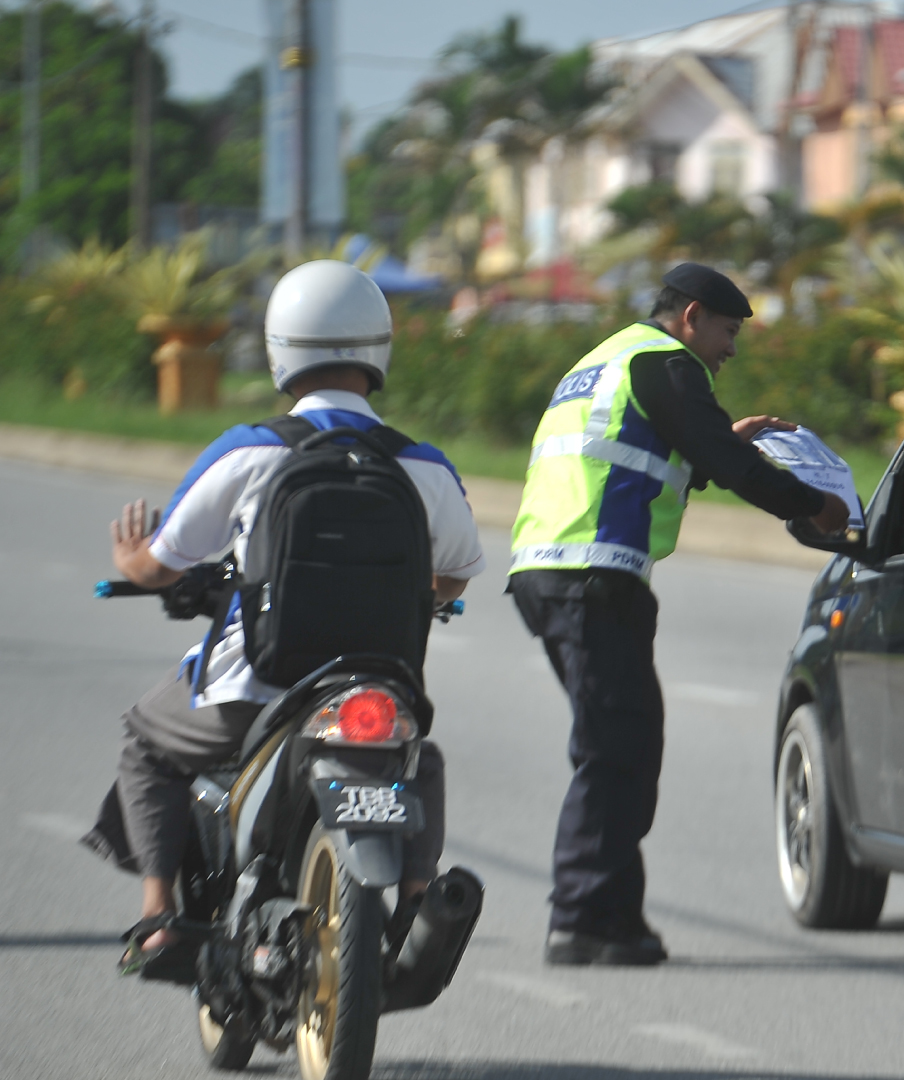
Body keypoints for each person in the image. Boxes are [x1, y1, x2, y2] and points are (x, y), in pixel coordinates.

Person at [86, 260, 486, 977]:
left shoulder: (249, 451)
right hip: (379, 692)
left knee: (148, 742)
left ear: (279, 350)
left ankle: (157, 920)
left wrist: (131, 561)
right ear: (378, 349)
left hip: (255, 693)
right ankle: (421, 898)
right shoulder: (424, 465)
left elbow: (164, 563)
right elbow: (456, 569)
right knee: (418, 758)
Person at [508, 262, 849, 966]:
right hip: (591, 576)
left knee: (621, 744)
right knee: (614, 751)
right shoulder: (668, 363)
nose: (731, 349)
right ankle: (583, 920)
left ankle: (608, 917)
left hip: (555, 571)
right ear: (692, 316)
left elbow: (654, 458)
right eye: (727, 332)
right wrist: (811, 505)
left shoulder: (608, 357)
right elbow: (727, 462)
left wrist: (723, 445)